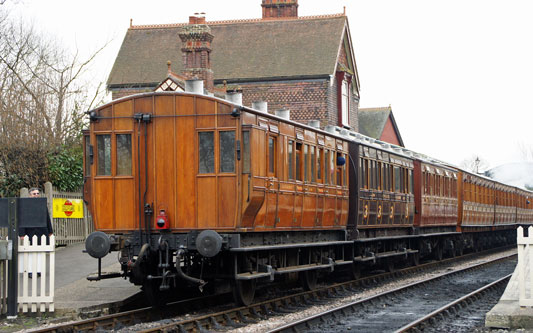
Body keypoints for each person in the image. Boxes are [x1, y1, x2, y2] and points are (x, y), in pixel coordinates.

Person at [18, 187, 54, 278]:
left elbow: (47, 218)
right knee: (30, 253)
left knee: (40, 252)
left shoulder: (42, 204)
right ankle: (30, 271)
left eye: (37, 193)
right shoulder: (25, 205)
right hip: (29, 232)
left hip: (42, 231)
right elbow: (22, 219)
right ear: (30, 195)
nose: (36, 195)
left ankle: (39, 270)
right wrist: (22, 233)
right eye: (34, 194)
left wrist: (50, 231)